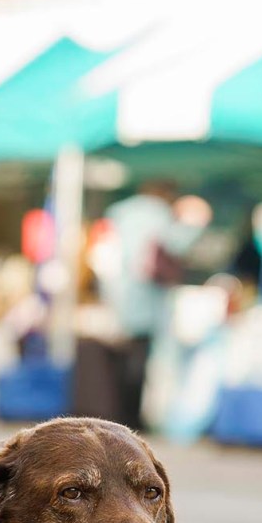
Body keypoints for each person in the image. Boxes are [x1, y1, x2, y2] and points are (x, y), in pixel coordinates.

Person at [80, 179, 209, 430]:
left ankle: (114, 416)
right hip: (147, 301)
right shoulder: (159, 215)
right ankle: (132, 418)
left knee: (117, 361)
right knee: (139, 364)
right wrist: (196, 222)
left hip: (116, 298)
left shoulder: (117, 215)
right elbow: (176, 245)